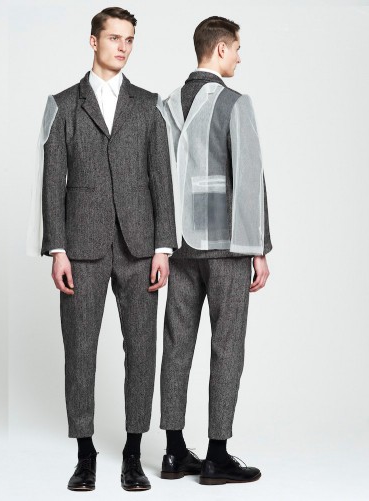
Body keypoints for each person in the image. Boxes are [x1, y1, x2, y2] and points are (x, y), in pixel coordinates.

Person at [27, 7, 177, 492]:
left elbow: (161, 179)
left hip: (140, 247)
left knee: (142, 350)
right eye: (114, 38)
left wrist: (163, 247)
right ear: (93, 41)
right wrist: (57, 249)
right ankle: (85, 454)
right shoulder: (63, 104)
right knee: (79, 351)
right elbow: (53, 182)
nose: (123, 47)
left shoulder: (149, 105)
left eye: (129, 39)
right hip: (81, 248)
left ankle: (133, 453)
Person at [158, 16, 272, 485]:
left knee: (176, 344)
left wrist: (161, 243)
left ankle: (172, 452)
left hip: (178, 245)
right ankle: (216, 456)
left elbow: (157, 178)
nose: (240, 57)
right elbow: (249, 178)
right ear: (220, 49)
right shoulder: (234, 102)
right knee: (227, 347)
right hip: (227, 244)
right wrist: (259, 248)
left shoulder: (164, 105)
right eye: (237, 48)